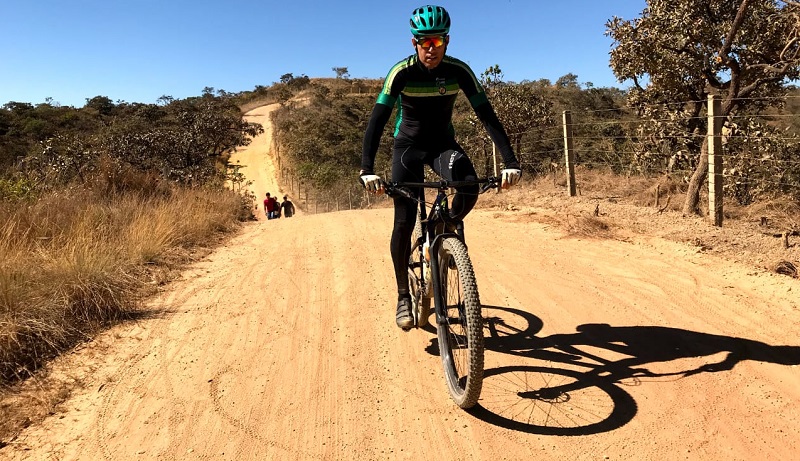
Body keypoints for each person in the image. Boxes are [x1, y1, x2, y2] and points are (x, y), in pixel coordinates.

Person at [359, 5, 522, 330]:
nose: (430, 49)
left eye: (436, 41)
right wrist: (367, 168)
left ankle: (444, 225)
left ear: (446, 41)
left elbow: (487, 116)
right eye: (424, 42)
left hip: (442, 146)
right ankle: (404, 295)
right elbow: (377, 121)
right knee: (404, 220)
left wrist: (510, 162)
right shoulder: (401, 73)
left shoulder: (459, 71)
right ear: (414, 42)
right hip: (407, 148)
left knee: (468, 184)